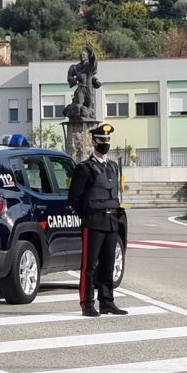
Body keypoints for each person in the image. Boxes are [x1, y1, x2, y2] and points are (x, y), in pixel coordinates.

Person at [67, 123, 128, 317]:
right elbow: (74, 198)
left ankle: (107, 302)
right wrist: (86, 217)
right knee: (89, 266)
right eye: (102, 140)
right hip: (93, 222)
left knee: (108, 264)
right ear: (94, 142)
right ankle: (87, 303)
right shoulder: (84, 168)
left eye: (107, 140)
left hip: (111, 222)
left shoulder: (113, 167)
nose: (105, 143)